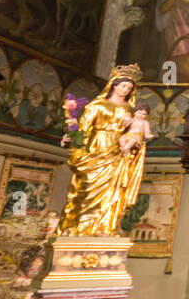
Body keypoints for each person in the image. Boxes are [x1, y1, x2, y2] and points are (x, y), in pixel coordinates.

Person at [58, 66, 147, 236]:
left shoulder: (131, 110)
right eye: (123, 86)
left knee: (112, 191)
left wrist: (136, 143)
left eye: (129, 88)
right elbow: (83, 130)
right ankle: (82, 228)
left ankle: (105, 227)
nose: (125, 90)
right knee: (88, 189)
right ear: (114, 85)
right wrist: (76, 148)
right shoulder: (98, 105)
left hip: (119, 152)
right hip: (96, 149)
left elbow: (135, 131)